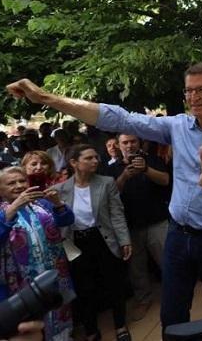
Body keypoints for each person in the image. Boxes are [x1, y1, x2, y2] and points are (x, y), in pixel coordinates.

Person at [6, 62, 202, 330]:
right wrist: (45, 97)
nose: (193, 97)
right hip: (178, 236)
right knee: (172, 316)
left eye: (201, 89)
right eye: (188, 91)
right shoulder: (177, 126)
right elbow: (118, 118)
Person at [52, 144, 131, 341]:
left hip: (103, 239)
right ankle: (91, 331)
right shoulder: (59, 190)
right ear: (74, 163)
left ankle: (121, 326)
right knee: (84, 288)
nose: (95, 161)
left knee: (114, 284)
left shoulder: (106, 182)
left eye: (96, 157)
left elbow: (116, 214)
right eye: (88, 158)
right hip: (76, 243)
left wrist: (124, 240)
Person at [0, 166, 75, 340]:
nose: (19, 185)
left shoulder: (40, 203)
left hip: (52, 271)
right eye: (11, 183)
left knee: (60, 313)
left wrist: (57, 203)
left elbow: (67, 220)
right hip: (20, 282)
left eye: (22, 181)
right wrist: (15, 206)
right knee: (32, 325)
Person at [104, 133, 170, 321]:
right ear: (118, 145)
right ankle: (143, 300)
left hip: (157, 221)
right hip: (129, 226)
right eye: (125, 142)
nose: (130, 145)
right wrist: (124, 177)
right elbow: (109, 196)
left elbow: (165, 180)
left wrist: (146, 170)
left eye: (133, 141)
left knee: (168, 261)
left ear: (139, 142)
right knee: (136, 268)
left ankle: (177, 292)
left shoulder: (152, 160)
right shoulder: (112, 169)